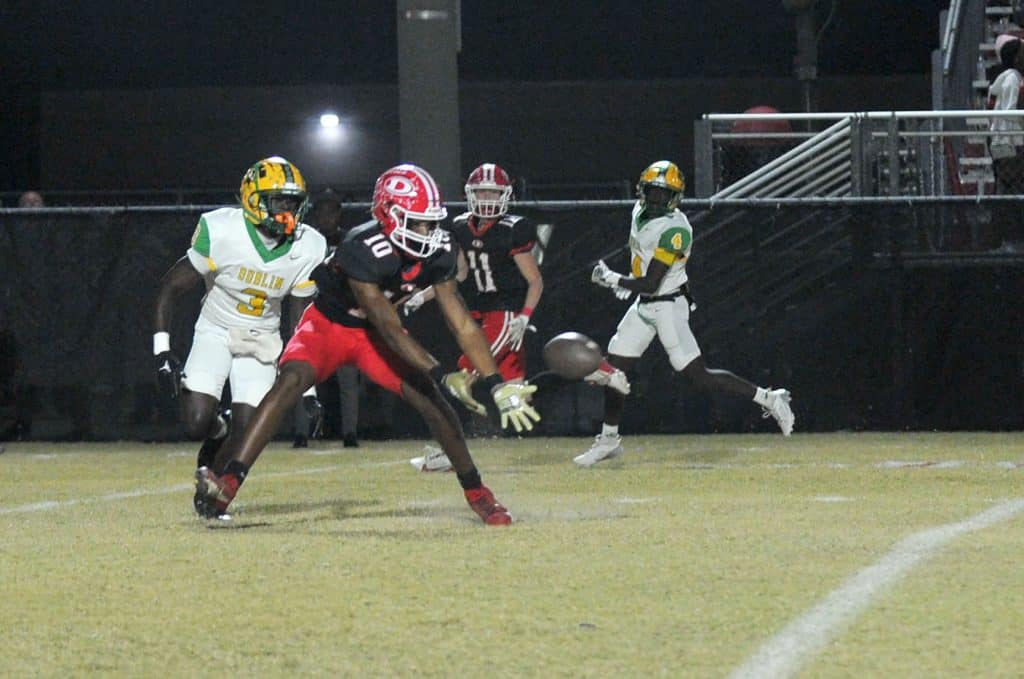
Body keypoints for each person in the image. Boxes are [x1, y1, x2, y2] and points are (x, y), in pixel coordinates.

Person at [193, 164, 540, 525]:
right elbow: (389, 326)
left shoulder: (440, 249)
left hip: (374, 336)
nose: (428, 232)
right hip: (330, 326)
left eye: (431, 222)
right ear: (389, 215)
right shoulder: (362, 246)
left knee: (433, 402)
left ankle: (477, 492)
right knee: (291, 381)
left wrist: (496, 383)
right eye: (417, 222)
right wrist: (440, 374)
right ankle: (229, 483)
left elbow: (462, 322)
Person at [577, 160, 795, 467]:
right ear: (642, 190)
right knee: (614, 371)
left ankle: (770, 399)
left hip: (668, 305)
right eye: (652, 191)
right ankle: (609, 440)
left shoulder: (676, 230)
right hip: (645, 304)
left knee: (698, 375)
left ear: (675, 197)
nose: (656, 199)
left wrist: (613, 279)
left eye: (663, 194)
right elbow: (642, 262)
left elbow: (652, 283)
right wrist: (629, 280)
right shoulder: (638, 211)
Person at [153, 156, 328, 511]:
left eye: (293, 203)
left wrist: (308, 388)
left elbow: (300, 320)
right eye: (279, 202)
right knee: (196, 423)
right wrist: (161, 351)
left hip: (261, 339)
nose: (288, 212)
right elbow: (170, 287)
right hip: (215, 330)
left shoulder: (308, 246)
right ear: (253, 199)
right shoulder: (222, 230)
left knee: (248, 430)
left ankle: (211, 495)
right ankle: (219, 429)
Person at [404, 163, 543, 471]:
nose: (487, 198)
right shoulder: (460, 227)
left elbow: (535, 281)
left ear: (505, 195)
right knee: (516, 395)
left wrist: (524, 316)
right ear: (470, 193)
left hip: (505, 315)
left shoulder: (513, 229)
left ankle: (448, 453)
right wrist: (422, 296)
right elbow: (459, 274)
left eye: (493, 192)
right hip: (479, 314)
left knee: (459, 381)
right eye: (482, 192)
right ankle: (486, 448)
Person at [292, 189, 361, 449]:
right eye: (321, 211)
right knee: (301, 373)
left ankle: (350, 433)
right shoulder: (306, 240)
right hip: (313, 313)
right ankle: (301, 433)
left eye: (331, 211)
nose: (326, 216)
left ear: (338, 213)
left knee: (348, 379)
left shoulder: (349, 241)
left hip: (342, 314)